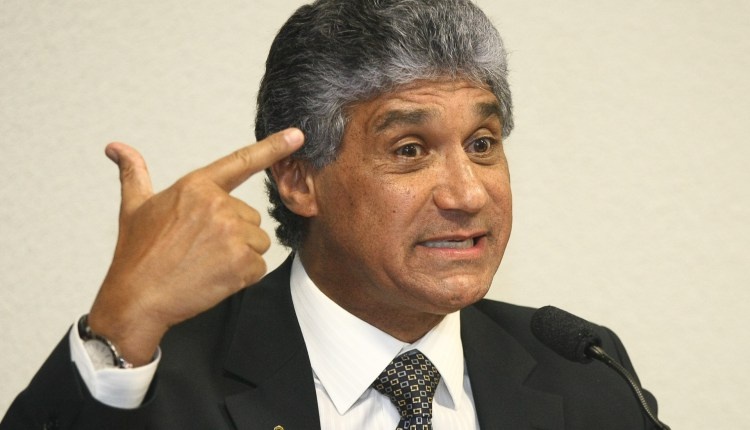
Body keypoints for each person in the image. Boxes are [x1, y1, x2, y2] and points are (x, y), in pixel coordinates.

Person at [1, 0, 661, 429]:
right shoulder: (163, 385)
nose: (466, 194)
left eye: (482, 144)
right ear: (299, 180)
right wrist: (119, 325)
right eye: (410, 149)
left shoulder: (585, 373)